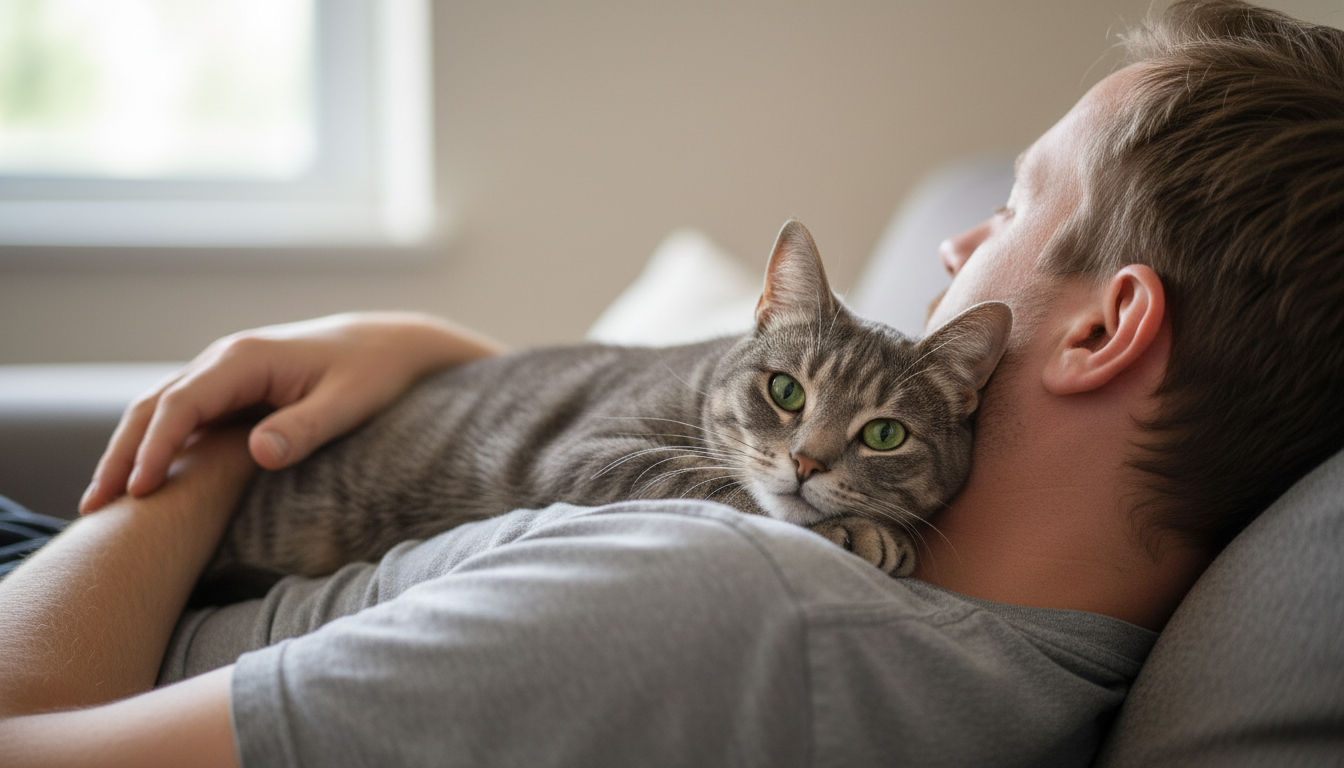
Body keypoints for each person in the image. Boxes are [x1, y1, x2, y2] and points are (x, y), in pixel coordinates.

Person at [2, 1, 1341, 764]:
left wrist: (216, 454)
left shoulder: (738, 606)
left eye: (1011, 204)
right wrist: (420, 346)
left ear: (1106, 329)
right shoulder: (1044, 668)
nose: (954, 246)